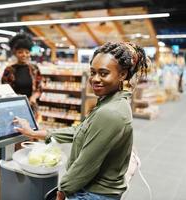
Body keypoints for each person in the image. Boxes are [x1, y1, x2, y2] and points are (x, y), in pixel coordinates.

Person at [14, 42, 149, 200]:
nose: (95, 79)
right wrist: (34, 133)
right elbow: (79, 130)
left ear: (122, 74)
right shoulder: (110, 102)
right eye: (93, 72)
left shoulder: (110, 112)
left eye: (103, 73)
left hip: (93, 194)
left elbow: (86, 165)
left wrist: (62, 190)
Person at [1, 33, 42, 114]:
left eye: (27, 52)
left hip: (31, 108)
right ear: (15, 53)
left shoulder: (34, 69)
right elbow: (5, 91)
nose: (24, 55)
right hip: (14, 108)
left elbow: (39, 89)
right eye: (20, 52)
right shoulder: (9, 70)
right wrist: (19, 100)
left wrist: (33, 97)